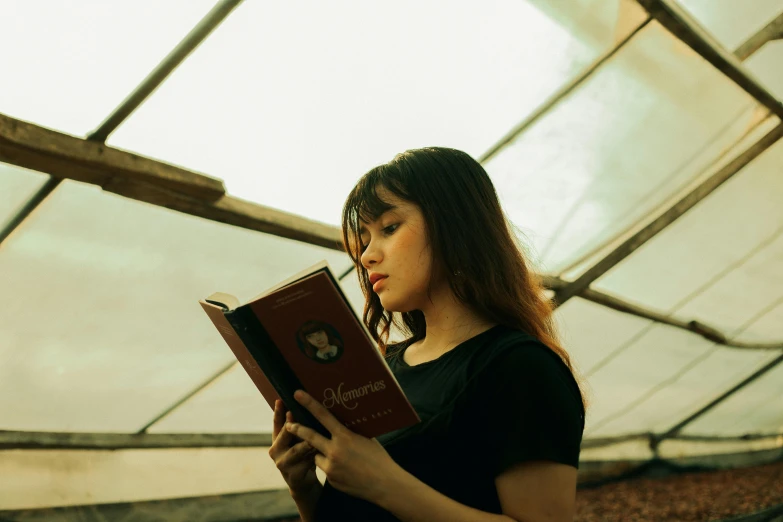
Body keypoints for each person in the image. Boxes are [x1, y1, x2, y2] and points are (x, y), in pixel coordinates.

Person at [268, 147, 589, 522]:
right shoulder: (382, 367)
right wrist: (306, 490)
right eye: (364, 239)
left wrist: (384, 482)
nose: (367, 255)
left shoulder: (519, 367)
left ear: (455, 226)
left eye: (389, 228)